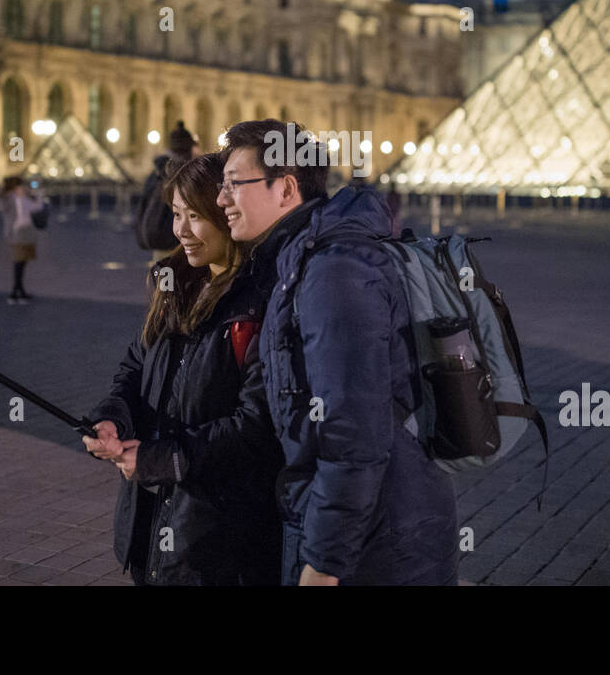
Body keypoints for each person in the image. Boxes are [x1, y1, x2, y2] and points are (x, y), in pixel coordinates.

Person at [217, 119, 459, 586]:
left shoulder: (333, 269)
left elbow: (352, 430)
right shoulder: (308, 258)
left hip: (375, 548)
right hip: (371, 531)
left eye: (233, 185)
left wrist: (323, 566)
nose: (222, 199)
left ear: (285, 189)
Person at [81, 153, 283, 585]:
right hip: (148, 527)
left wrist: (162, 460)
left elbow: (257, 428)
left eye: (195, 215)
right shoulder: (174, 286)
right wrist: (111, 417)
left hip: (217, 541)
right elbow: (134, 369)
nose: (181, 231)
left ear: (226, 212)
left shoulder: (260, 303)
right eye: (176, 214)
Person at [135, 120, 198, 264]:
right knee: (179, 281)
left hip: (159, 237)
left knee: (164, 282)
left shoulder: (157, 171)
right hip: (177, 241)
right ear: (189, 149)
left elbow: (143, 202)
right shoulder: (185, 173)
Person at [0, 176, 45, 303]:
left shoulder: (24, 198)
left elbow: (38, 207)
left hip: (27, 232)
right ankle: (14, 293)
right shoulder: (8, 199)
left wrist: (38, 194)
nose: (23, 188)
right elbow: (3, 208)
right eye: (20, 186)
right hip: (16, 233)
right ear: (14, 188)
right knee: (18, 263)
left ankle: (19, 291)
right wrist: (14, 196)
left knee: (23, 262)